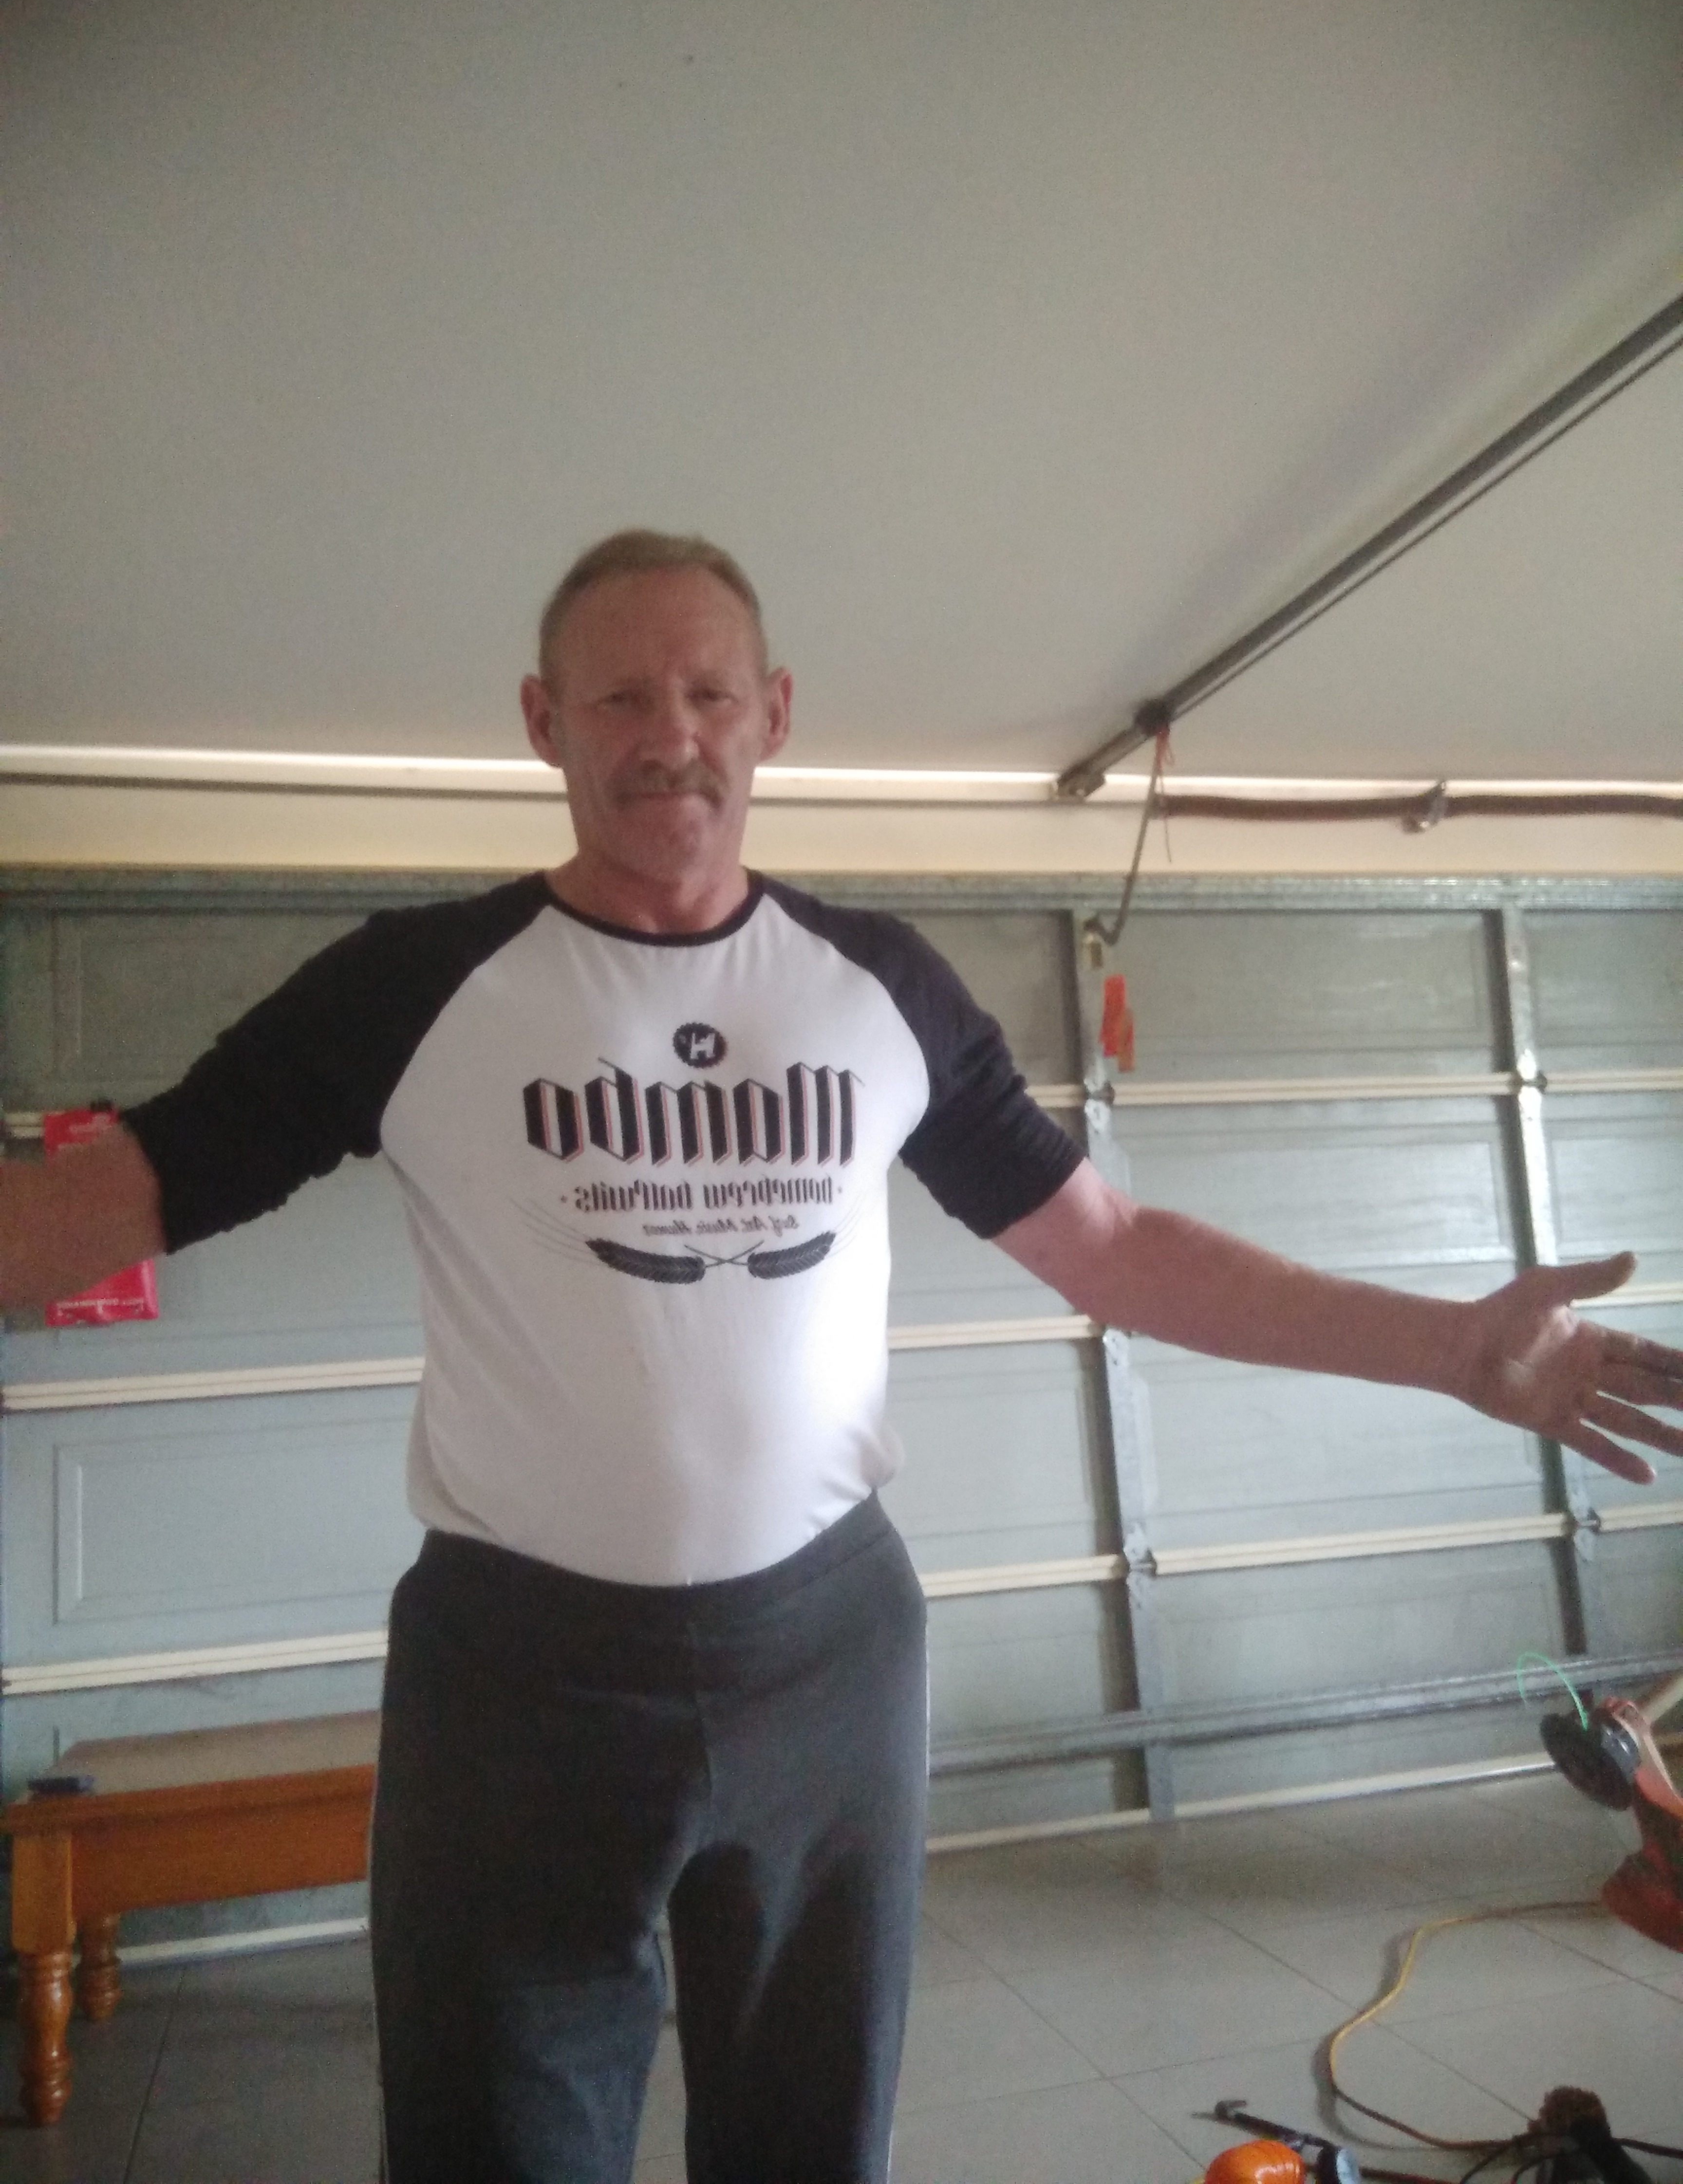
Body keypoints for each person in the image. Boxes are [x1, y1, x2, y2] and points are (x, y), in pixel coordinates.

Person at [3, 528, 1681, 2184]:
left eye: (708, 693)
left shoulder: (880, 984)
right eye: (619, 699)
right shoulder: (412, 988)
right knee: (495, 2141)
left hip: (825, 1655)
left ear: (775, 714)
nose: (668, 735)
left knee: (812, 2138)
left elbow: (1111, 1246)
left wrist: (1450, 1348)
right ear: (542, 721)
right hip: (516, 1673)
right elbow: (104, 1200)